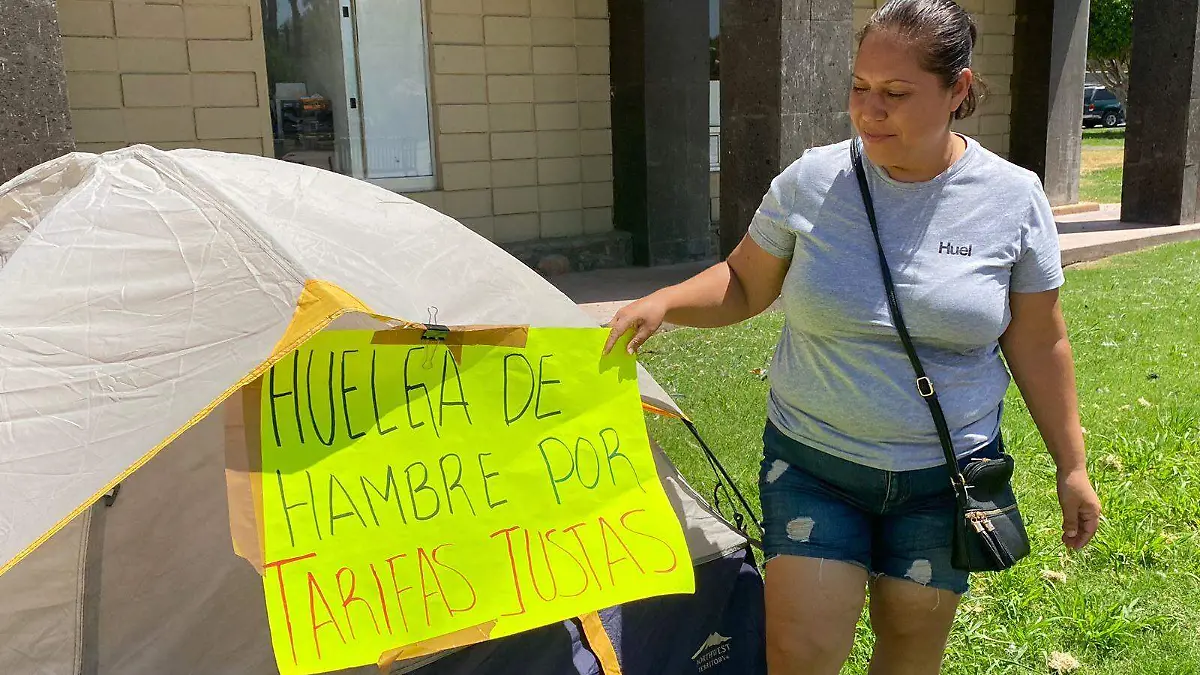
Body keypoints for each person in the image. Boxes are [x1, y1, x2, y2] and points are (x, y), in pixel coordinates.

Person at [603, 0, 1102, 672]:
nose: (871, 111)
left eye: (896, 94)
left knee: (909, 650)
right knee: (800, 653)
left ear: (958, 90)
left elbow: (1040, 341)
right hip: (815, 465)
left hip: (944, 475)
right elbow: (745, 284)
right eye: (860, 89)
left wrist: (1072, 466)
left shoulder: (1013, 198)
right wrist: (666, 301)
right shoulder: (813, 180)